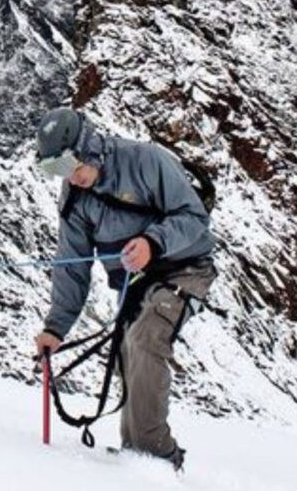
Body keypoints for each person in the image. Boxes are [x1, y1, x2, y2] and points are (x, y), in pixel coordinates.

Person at [33, 106, 216, 470]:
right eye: (53, 170)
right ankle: (136, 455)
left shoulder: (147, 161)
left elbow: (194, 219)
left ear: (86, 148)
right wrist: (55, 327)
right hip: (133, 283)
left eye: (68, 165)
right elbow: (73, 266)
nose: (68, 177)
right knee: (126, 356)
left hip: (184, 267)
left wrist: (153, 242)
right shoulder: (74, 200)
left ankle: (158, 457)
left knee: (145, 338)